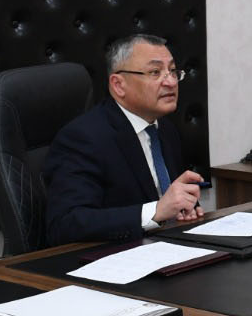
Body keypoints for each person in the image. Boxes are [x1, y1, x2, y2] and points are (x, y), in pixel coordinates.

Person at [44, 33, 204, 245]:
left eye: (173, 71)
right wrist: (155, 212)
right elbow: (66, 223)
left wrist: (184, 207)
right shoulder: (83, 138)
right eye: (155, 72)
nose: (171, 82)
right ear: (119, 85)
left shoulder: (165, 129)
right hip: (110, 256)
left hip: (164, 248)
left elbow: (166, 200)